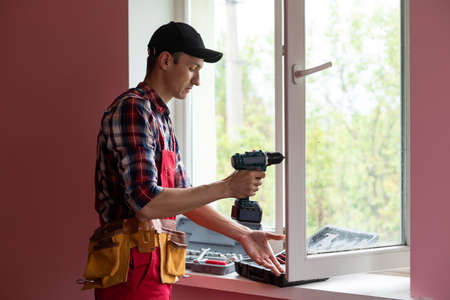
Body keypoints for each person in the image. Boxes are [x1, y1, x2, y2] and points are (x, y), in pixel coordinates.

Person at [93, 21, 284, 300]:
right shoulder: (133, 109)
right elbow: (146, 203)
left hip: (154, 270)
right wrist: (228, 187)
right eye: (193, 67)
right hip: (127, 274)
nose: (197, 80)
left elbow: (187, 202)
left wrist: (243, 234)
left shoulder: (161, 119)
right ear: (166, 60)